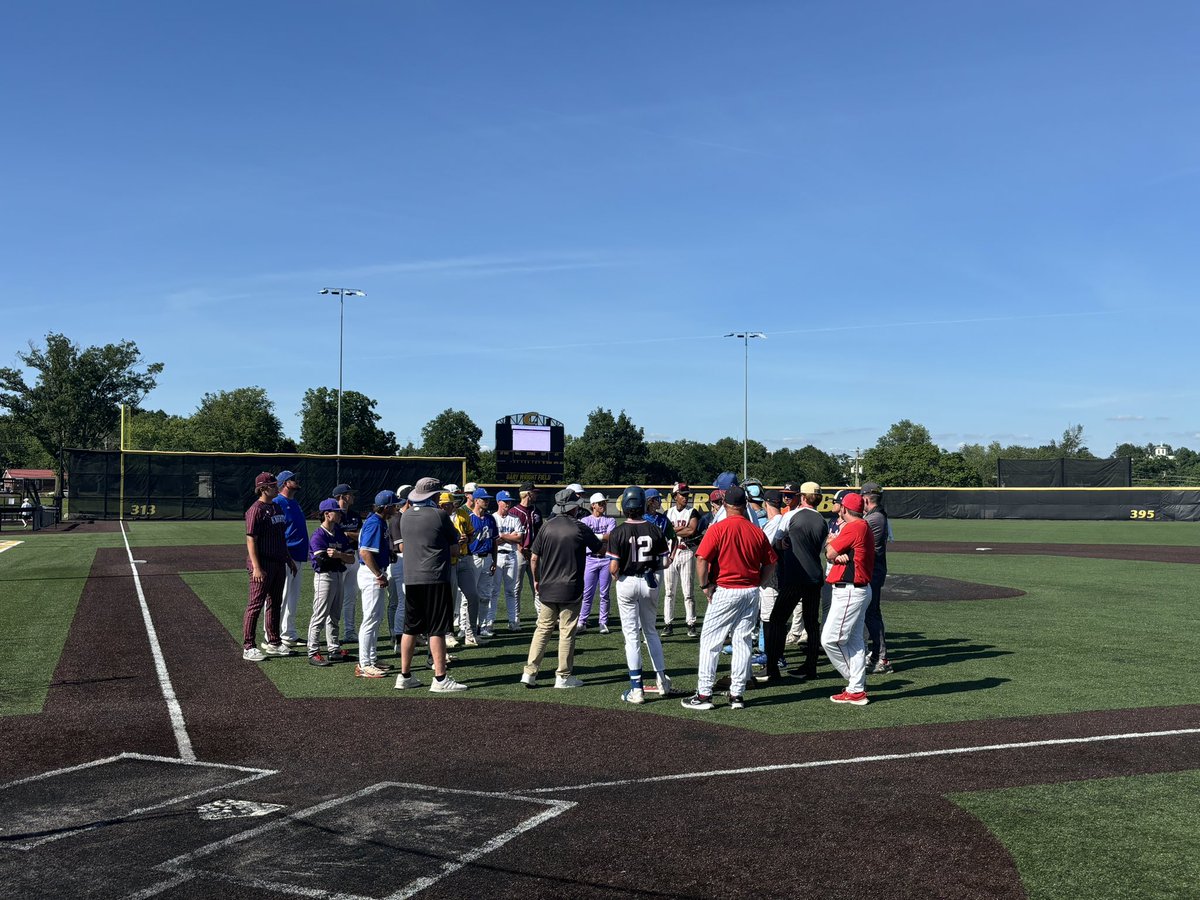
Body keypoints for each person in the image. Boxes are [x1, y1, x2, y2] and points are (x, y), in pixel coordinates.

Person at [682, 485, 776, 711]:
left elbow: (702, 559)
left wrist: (705, 585)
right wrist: (759, 583)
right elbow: (771, 562)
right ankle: (737, 695)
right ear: (745, 505)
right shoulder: (756, 530)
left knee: (710, 642)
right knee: (743, 642)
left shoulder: (719, 528)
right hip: (750, 592)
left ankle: (704, 695)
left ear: (725, 505)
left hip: (725, 590)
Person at [520, 489, 601, 688]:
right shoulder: (580, 527)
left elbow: (534, 558)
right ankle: (563, 676)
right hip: (571, 588)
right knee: (566, 632)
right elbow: (600, 550)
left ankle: (529, 673)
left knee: (542, 629)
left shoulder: (546, 527)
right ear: (573, 507)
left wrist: (537, 579)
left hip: (547, 586)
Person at [395, 477, 468, 693]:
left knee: (411, 628)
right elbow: (455, 549)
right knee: (437, 628)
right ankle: (440, 677)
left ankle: (405, 675)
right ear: (435, 496)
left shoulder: (406, 516)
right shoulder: (439, 515)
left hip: (412, 577)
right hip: (435, 576)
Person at [608, 485, 676, 704]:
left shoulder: (618, 531)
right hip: (649, 582)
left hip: (627, 582)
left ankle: (636, 689)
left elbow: (613, 567)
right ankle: (662, 681)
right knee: (651, 632)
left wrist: (617, 575)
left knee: (631, 637)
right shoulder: (655, 528)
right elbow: (665, 561)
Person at [761, 481, 827, 684]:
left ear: (803, 497)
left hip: (794, 576)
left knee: (777, 620)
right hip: (815, 576)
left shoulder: (791, 516)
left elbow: (777, 540)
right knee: (811, 623)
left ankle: (772, 667)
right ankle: (811, 666)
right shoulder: (822, 520)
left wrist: (782, 544)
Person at [822, 491, 876, 705]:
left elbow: (830, 553)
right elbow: (835, 552)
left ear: (844, 509)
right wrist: (835, 547)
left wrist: (832, 544)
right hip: (855, 588)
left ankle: (856, 684)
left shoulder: (855, 526)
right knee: (854, 641)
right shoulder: (860, 526)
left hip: (851, 590)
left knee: (829, 640)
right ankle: (856, 689)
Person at [242, 472, 295, 661]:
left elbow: (281, 538)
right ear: (263, 488)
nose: (276, 487)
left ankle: (274, 642)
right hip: (262, 564)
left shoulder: (277, 508)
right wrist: (256, 567)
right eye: (272, 485)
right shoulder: (255, 510)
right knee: (255, 605)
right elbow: (251, 540)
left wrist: (288, 559)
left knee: (275, 603)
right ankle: (249, 647)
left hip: (278, 563)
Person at [356, 491, 399, 678]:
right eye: (394, 505)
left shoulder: (379, 521)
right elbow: (365, 552)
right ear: (385, 507)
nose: (396, 507)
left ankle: (371, 659)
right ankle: (364, 663)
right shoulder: (375, 522)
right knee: (370, 619)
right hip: (370, 573)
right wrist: (379, 574)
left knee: (376, 618)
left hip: (374, 572)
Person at [308, 498, 354, 667]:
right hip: (324, 577)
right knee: (319, 615)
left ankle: (334, 649)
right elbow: (321, 561)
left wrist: (339, 556)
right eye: (337, 512)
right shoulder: (318, 535)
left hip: (338, 576)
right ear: (327, 514)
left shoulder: (339, 533)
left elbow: (351, 558)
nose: (341, 514)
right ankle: (313, 651)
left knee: (335, 615)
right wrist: (338, 558)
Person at [272, 470, 309, 649]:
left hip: (298, 556)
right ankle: (273, 635)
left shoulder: (293, 502)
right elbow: (277, 533)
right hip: (286, 557)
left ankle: (289, 633)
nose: (296, 481)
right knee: (280, 597)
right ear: (285, 483)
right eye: (293, 479)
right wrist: (285, 556)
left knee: (292, 597)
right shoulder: (278, 502)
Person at [861, 482, 892, 674]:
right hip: (873, 570)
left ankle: (881, 657)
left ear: (865, 499)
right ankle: (876, 655)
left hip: (873, 571)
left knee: (871, 614)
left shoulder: (875, 518)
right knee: (870, 614)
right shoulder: (876, 516)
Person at [663, 483, 701, 638]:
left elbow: (691, 530)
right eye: (682, 494)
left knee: (688, 591)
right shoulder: (668, 512)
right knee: (669, 591)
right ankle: (668, 623)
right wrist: (678, 530)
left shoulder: (692, 512)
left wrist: (672, 529)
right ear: (674, 496)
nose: (685, 497)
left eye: (686, 495)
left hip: (687, 553)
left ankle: (691, 623)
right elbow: (663, 531)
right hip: (671, 554)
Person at [578, 492, 616, 634]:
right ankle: (582, 621)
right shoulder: (585, 520)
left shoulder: (610, 520)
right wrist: (601, 537)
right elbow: (583, 536)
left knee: (604, 593)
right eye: (600, 503)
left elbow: (611, 536)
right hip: (590, 558)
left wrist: (592, 537)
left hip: (606, 559)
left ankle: (603, 622)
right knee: (587, 593)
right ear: (593, 505)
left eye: (604, 503)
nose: (603, 505)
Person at [467, 488, 499, 641]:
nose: (487, 501)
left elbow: (494, 541)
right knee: (470, 596)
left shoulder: (490, 519)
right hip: (473, 559)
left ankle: (482, 627)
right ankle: (466, 628)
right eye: (484, 499)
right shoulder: (469, 517)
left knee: (485, 595)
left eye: (488, 499)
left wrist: (495, 560)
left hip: (487, 558)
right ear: (476, 500)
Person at [491, 490, 526, 632]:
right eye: (505, 501)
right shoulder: (492, 518)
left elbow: (519, 539)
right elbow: (494, 541)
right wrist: (509, 536)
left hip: (511, 555)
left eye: (509, 501)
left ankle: (513, 621)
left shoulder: (514, 518)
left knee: (511, 591)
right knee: (494, 591)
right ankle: (490, 622)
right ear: (498, 502)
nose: (508, 504)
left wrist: (503, 536)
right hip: (497, 556)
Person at [332, 484, 362, 645]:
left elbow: (362, 537)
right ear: (342, 496)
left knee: (351, 598)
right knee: (333, 599)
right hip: (337, 560)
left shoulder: (355, 515)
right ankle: (331, 636)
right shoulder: (332, 514)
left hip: (354, 557)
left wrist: (347, 534)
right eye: (350, 494)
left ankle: (349, 632)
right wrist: (349, 536)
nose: (353, 497)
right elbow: (333, 537)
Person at [509, 482, 543, 619]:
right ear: (528, 493)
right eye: (534, 492)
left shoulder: (537, 510)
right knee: (516, 587)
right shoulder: (514, 512)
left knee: (538, 584)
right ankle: (515, 617)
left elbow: (541, 532)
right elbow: (510, 534)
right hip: (519, 553)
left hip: (534, 553)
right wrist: (520, 548)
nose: (536, 494)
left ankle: (542, 616)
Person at [385, 485, 412, 650]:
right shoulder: (397, 518)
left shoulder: (405, 517)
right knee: (400, 602)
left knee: (402, 602)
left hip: (402, 561)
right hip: (399, 561)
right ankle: (397, 638)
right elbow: (401, 547)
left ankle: (402, 637)